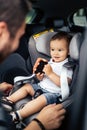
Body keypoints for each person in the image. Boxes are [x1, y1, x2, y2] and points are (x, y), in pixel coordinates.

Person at [0, 0, 66, 130]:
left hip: (52, 93)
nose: (16, 45)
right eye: (19, 37)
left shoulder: (66, 65)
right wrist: (39, 125)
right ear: (2, 31)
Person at [2, 32, 72, 123]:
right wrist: (40, 77)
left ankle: (19, 115)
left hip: (53, 94)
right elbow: (43, 79)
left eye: (60, 50)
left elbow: (65, 84)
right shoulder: (50, 62)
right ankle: (8, 100)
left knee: (41, 100)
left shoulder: (67, 66)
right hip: (40, 87)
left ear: (69, 51)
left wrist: (51, 74)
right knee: (27, 87)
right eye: (52, 49)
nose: (55, 53)